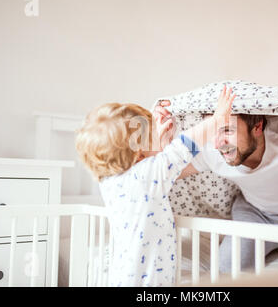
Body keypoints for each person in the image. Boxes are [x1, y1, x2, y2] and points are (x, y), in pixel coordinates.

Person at [153, 87, 278, 272]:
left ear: (257, 127)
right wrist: (161, 143)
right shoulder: (214, 150)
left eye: (227, 130)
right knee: (226, 271)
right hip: (255, 214)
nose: (218, 144)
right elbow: (165, 172)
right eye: (214, 132)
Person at [75, 88, 236, 286]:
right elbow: (184, 147)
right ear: (139, 154)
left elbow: (152, 160)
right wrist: (217, 120)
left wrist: (156, 135)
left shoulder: (109, 181)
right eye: (149, 136)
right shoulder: (147, 175)